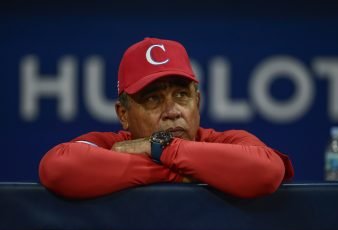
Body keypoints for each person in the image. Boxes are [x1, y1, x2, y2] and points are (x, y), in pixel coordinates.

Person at [39, 37, 294, 199]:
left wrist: (161, 148)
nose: (172, 110)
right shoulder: (110, 146)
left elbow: (267, 171)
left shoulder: (224, 142)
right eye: (153, 99)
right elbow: (57, 168)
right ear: (124, 115)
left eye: (182, 95)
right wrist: (178, 173)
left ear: (198, 102)